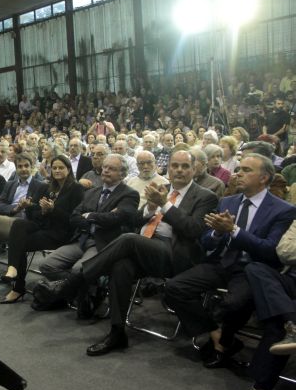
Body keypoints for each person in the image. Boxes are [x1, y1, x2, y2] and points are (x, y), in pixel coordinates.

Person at [38, 150, 218, 354]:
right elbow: (135, 220)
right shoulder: (162, 189)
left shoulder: (205, 196)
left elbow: (193, 229)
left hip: (174, 254)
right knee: (120, 265)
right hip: (145, 245)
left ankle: (73, 282)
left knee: (127, 239)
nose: (178, 170)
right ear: (168, 168)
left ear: (194, 169)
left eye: (185, 166)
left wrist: (164, 205)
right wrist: (149, 209)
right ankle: (117, 332)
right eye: (174, 165)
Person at [165, 154, 296, 370]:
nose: (238, 173)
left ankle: (223, 343)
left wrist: (233, 230)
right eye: (239, 169)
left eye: (246, 170)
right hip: (222, 262)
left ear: (264, 178)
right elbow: (207, 242)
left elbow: (271, 251)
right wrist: (217, 234)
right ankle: (218, 336)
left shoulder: (282, 210)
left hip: (252, 269)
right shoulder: (228, 201)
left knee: (234, 304)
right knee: (174, 287)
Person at [33, 154, 139, 310]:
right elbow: (74, 217)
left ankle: (64, 293)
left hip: (104, 243)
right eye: (105, 167)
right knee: (47, 265)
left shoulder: (129, 194)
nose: (106, 171)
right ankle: (86, 290)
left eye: (112, 168)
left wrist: (90, 215)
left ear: (122, 174)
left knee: (78, 269)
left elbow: (117, 218)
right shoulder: (91, 192)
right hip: (81, 238)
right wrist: (100, 219)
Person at [225, 220, 296, 390]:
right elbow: (283, 251)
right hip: (290, 282)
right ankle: (293, 323)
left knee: (277, 323)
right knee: (256, 269)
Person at [0, 155, 85, 304]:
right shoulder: (46, 186)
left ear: (69, 169)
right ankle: (13, 269)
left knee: (19, 243)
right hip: (42, 225)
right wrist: (40, 210)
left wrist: (53, 210)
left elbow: (74, 219)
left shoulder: (76, 189)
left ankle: (18, 287)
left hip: (61, 233)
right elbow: (33, 213)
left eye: (61, 167)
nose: (57, 170)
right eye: (54, 168)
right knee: (19, 224)